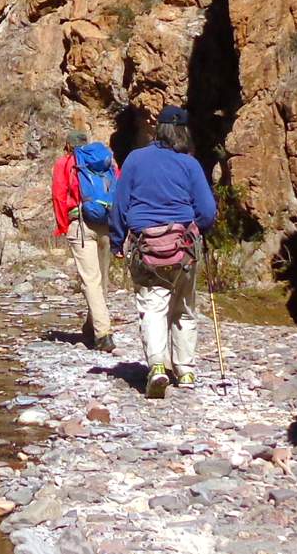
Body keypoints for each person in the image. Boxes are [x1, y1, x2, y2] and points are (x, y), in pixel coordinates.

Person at [109, 106, 217, 397]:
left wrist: (117, 241)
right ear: (183, 131)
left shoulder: (135, 159)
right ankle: (185, 370)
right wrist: (199, 230)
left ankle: (157, 366)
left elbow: (120, 204)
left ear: (159, 130)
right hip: (183, 247)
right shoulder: (189, 164)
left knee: (152, 306)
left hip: (145, 245)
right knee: (183, 307)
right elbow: (207, 210)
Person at [51, 130, 115, 351]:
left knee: (90, 279)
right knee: (102, 279)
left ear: (68, 146)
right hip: (106, 223)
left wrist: (62, 225)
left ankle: (103, 334)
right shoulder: (105, 163)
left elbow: (59, 196)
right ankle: (91, 327)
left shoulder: (66, 163)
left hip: (81, 225)